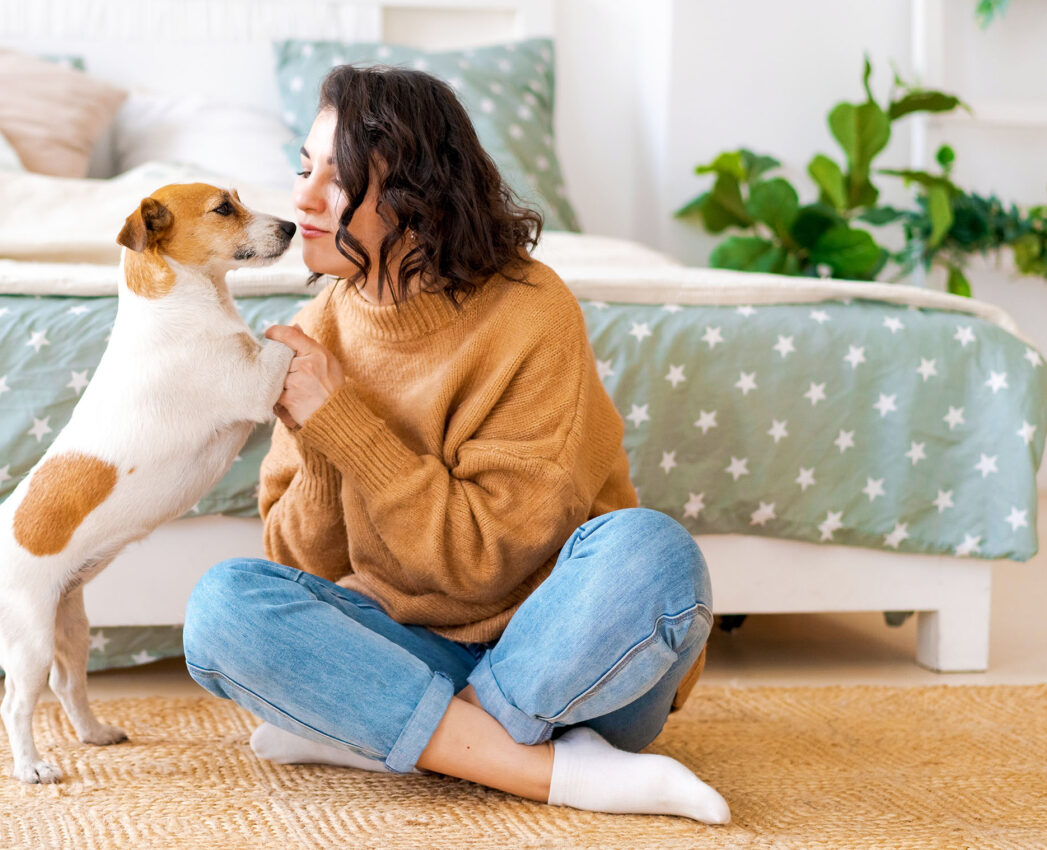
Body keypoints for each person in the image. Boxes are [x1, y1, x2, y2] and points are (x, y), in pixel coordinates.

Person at [182, 64, 729, 825]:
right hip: (412, 647)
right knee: (223, 607)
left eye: (335, 180)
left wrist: (344, 422)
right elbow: (303, 565)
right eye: (304, 169)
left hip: (575, 655)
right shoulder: (318, 331)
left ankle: (394, 731)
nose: (301, 199)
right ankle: (558, 772)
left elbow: (487, 561)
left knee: (654, 554)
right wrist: (316, 444)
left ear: (417, 196)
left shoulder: (532, 312)